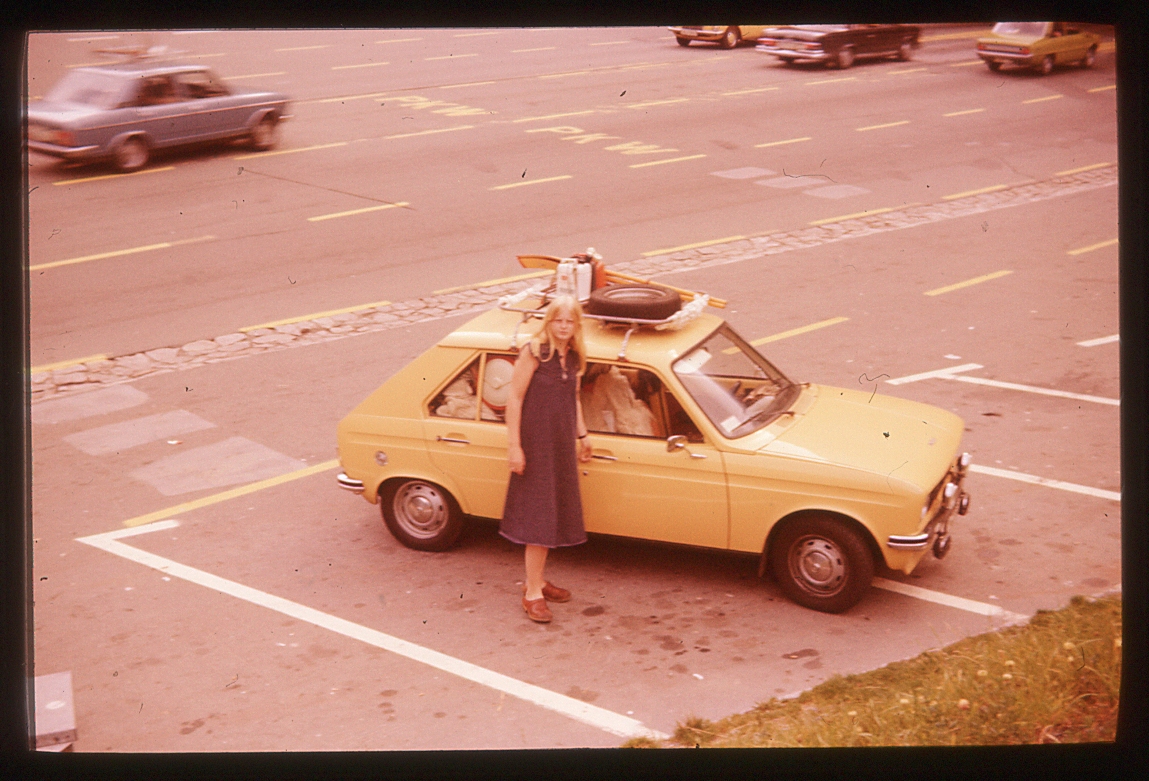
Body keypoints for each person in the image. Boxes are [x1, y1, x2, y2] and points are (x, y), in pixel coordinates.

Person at [500, 296, 593, 623]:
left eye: (570, 321)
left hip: (560, 446)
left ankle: (537, 581)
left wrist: (582, 435)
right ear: (549, 322)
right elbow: (514, 399)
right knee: (539, 518)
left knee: (552, 514)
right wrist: (515, 447)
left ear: (576, 325)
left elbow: (574, 399)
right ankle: (532, 595)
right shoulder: (534, 352)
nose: (564, 326)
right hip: (536, 445)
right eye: (558, 320)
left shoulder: (575, 356)